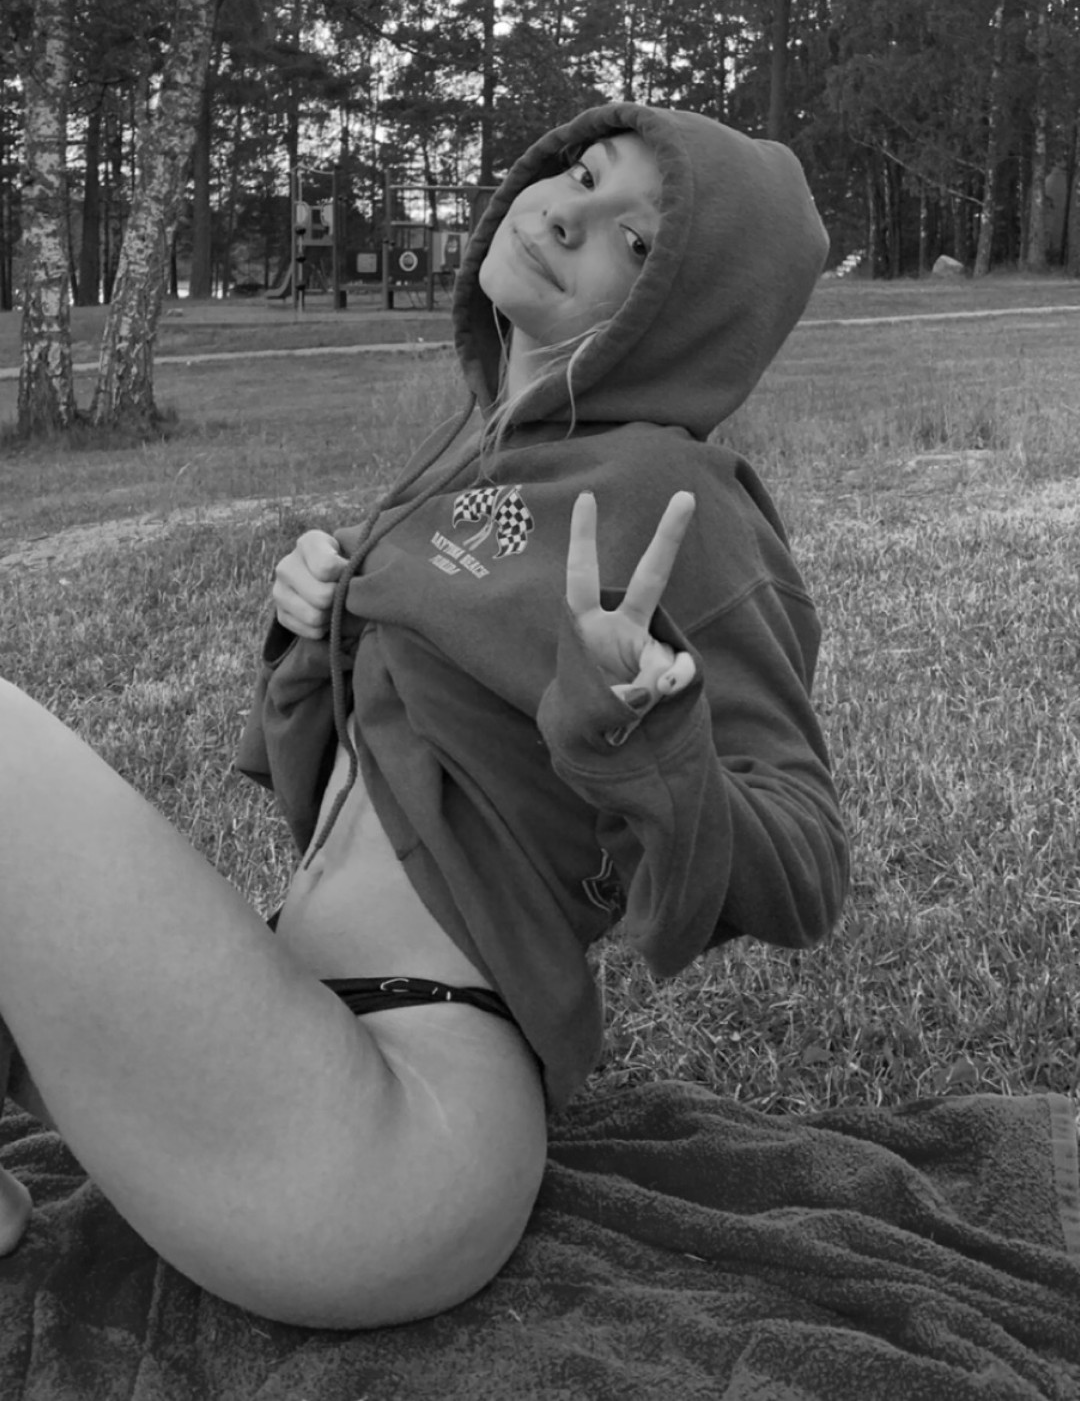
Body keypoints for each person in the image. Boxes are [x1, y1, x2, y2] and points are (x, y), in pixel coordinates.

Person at [0, 101, 848, 1328]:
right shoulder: (475, 466)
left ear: (689, 310)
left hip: (406, 1130)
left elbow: (808, 868)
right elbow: (383, 805)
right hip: (305, 1037)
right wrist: (311, 631)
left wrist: (650, 731)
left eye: (638, 239)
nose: (569, 211)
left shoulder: (681, 499)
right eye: (582, 172)